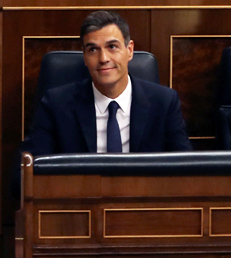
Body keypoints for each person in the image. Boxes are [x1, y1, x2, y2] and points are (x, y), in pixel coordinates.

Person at [22, 10, 192, 156]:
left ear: (129, 50)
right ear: (85, 57)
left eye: (112, 47)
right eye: (93, 50)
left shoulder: (164, 103)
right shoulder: (56, 105)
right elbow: (23, 176)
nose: (103, 59)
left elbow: (186, 171)